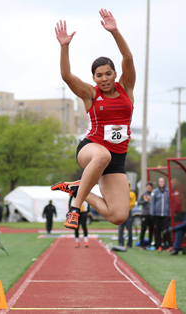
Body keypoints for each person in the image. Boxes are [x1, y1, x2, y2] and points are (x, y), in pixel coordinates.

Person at [51, 9, 135, 232]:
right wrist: (64, 46)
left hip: (116, 159)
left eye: (108, 73)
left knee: (118, 215)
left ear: (115, 74)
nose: (104, 78)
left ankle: (80, 188)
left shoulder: (126, 88)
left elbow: (128, 58)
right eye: (99, 75)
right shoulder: (91, 94)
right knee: (102, 154)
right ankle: (75, 209)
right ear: (94, 78)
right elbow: (67, 76)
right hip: (91, 150)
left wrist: (114, 31)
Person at [151, 177, 171, 252]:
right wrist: (152, 213)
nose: (161, 183)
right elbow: (152, 203)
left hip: (165, 214)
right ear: (158, 183)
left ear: (164, 182)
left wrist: (170, 213)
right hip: (157, 214)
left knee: (166, 230)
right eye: (160, 181)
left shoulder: (168, 191)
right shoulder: (155, 192)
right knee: (158, 230)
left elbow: (170, 203)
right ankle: (159, 245)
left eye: (162, 181)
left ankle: (167, 245)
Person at [118, 183, 135, 248]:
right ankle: (121, 243)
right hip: (121, 212)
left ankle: (129, 244)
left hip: (128, 212)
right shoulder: (120, 193)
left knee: (129, 229)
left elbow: (133, 204)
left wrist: (126, 206)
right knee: (120, 229)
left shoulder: (132, 194)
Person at [137, 182, 154, 250]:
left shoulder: (153, 194)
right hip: (144, 214)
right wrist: (145, 201)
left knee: (151, 230)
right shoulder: (143, 194)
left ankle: (150, 244)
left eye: (150, 187)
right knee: (143, 229)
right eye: (148, 187)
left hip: (151, 214)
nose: (149, 188)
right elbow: (139, 202)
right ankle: (141, 244)